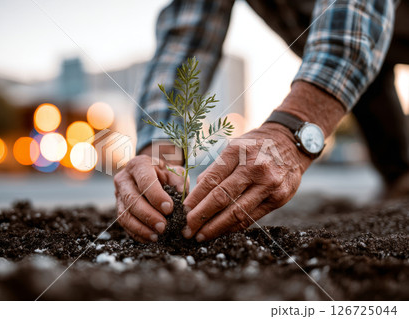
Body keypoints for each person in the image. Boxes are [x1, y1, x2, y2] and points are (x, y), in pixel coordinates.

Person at [114, 0, 409, 243]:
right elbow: (187, 42)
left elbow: (355, 13)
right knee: (400, 178)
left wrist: (291, 131)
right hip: (361, 54)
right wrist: (160, 150)